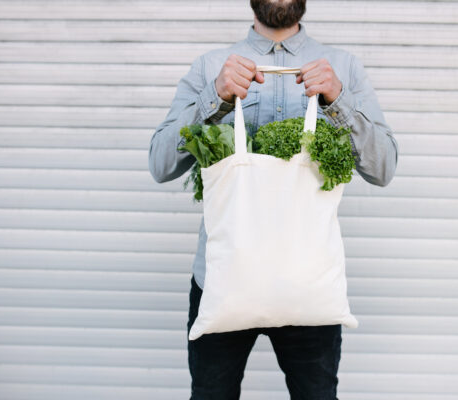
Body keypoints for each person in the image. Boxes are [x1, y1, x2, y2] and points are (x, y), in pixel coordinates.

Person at [148, 0, 398, 398]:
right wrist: (215, 97)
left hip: (308, 283)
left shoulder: (343, 67)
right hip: (224, 279)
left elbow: (383, 168)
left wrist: (338, 100)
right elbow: (161, 163)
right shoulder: (212, 66)